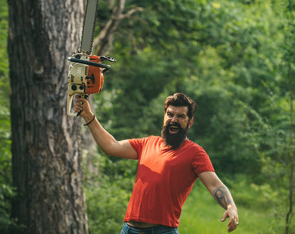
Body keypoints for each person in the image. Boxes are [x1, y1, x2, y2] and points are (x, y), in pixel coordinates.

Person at [74, 92, 239, 233]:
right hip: (130, 229)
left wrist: (230, 206)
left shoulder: (195, 153)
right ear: (164, 116)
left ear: (190, 122)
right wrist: (88, 115)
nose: (173, 120)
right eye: (170, 114)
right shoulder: (147, 143)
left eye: (180, 116)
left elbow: (215, 185)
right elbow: (111, 146)